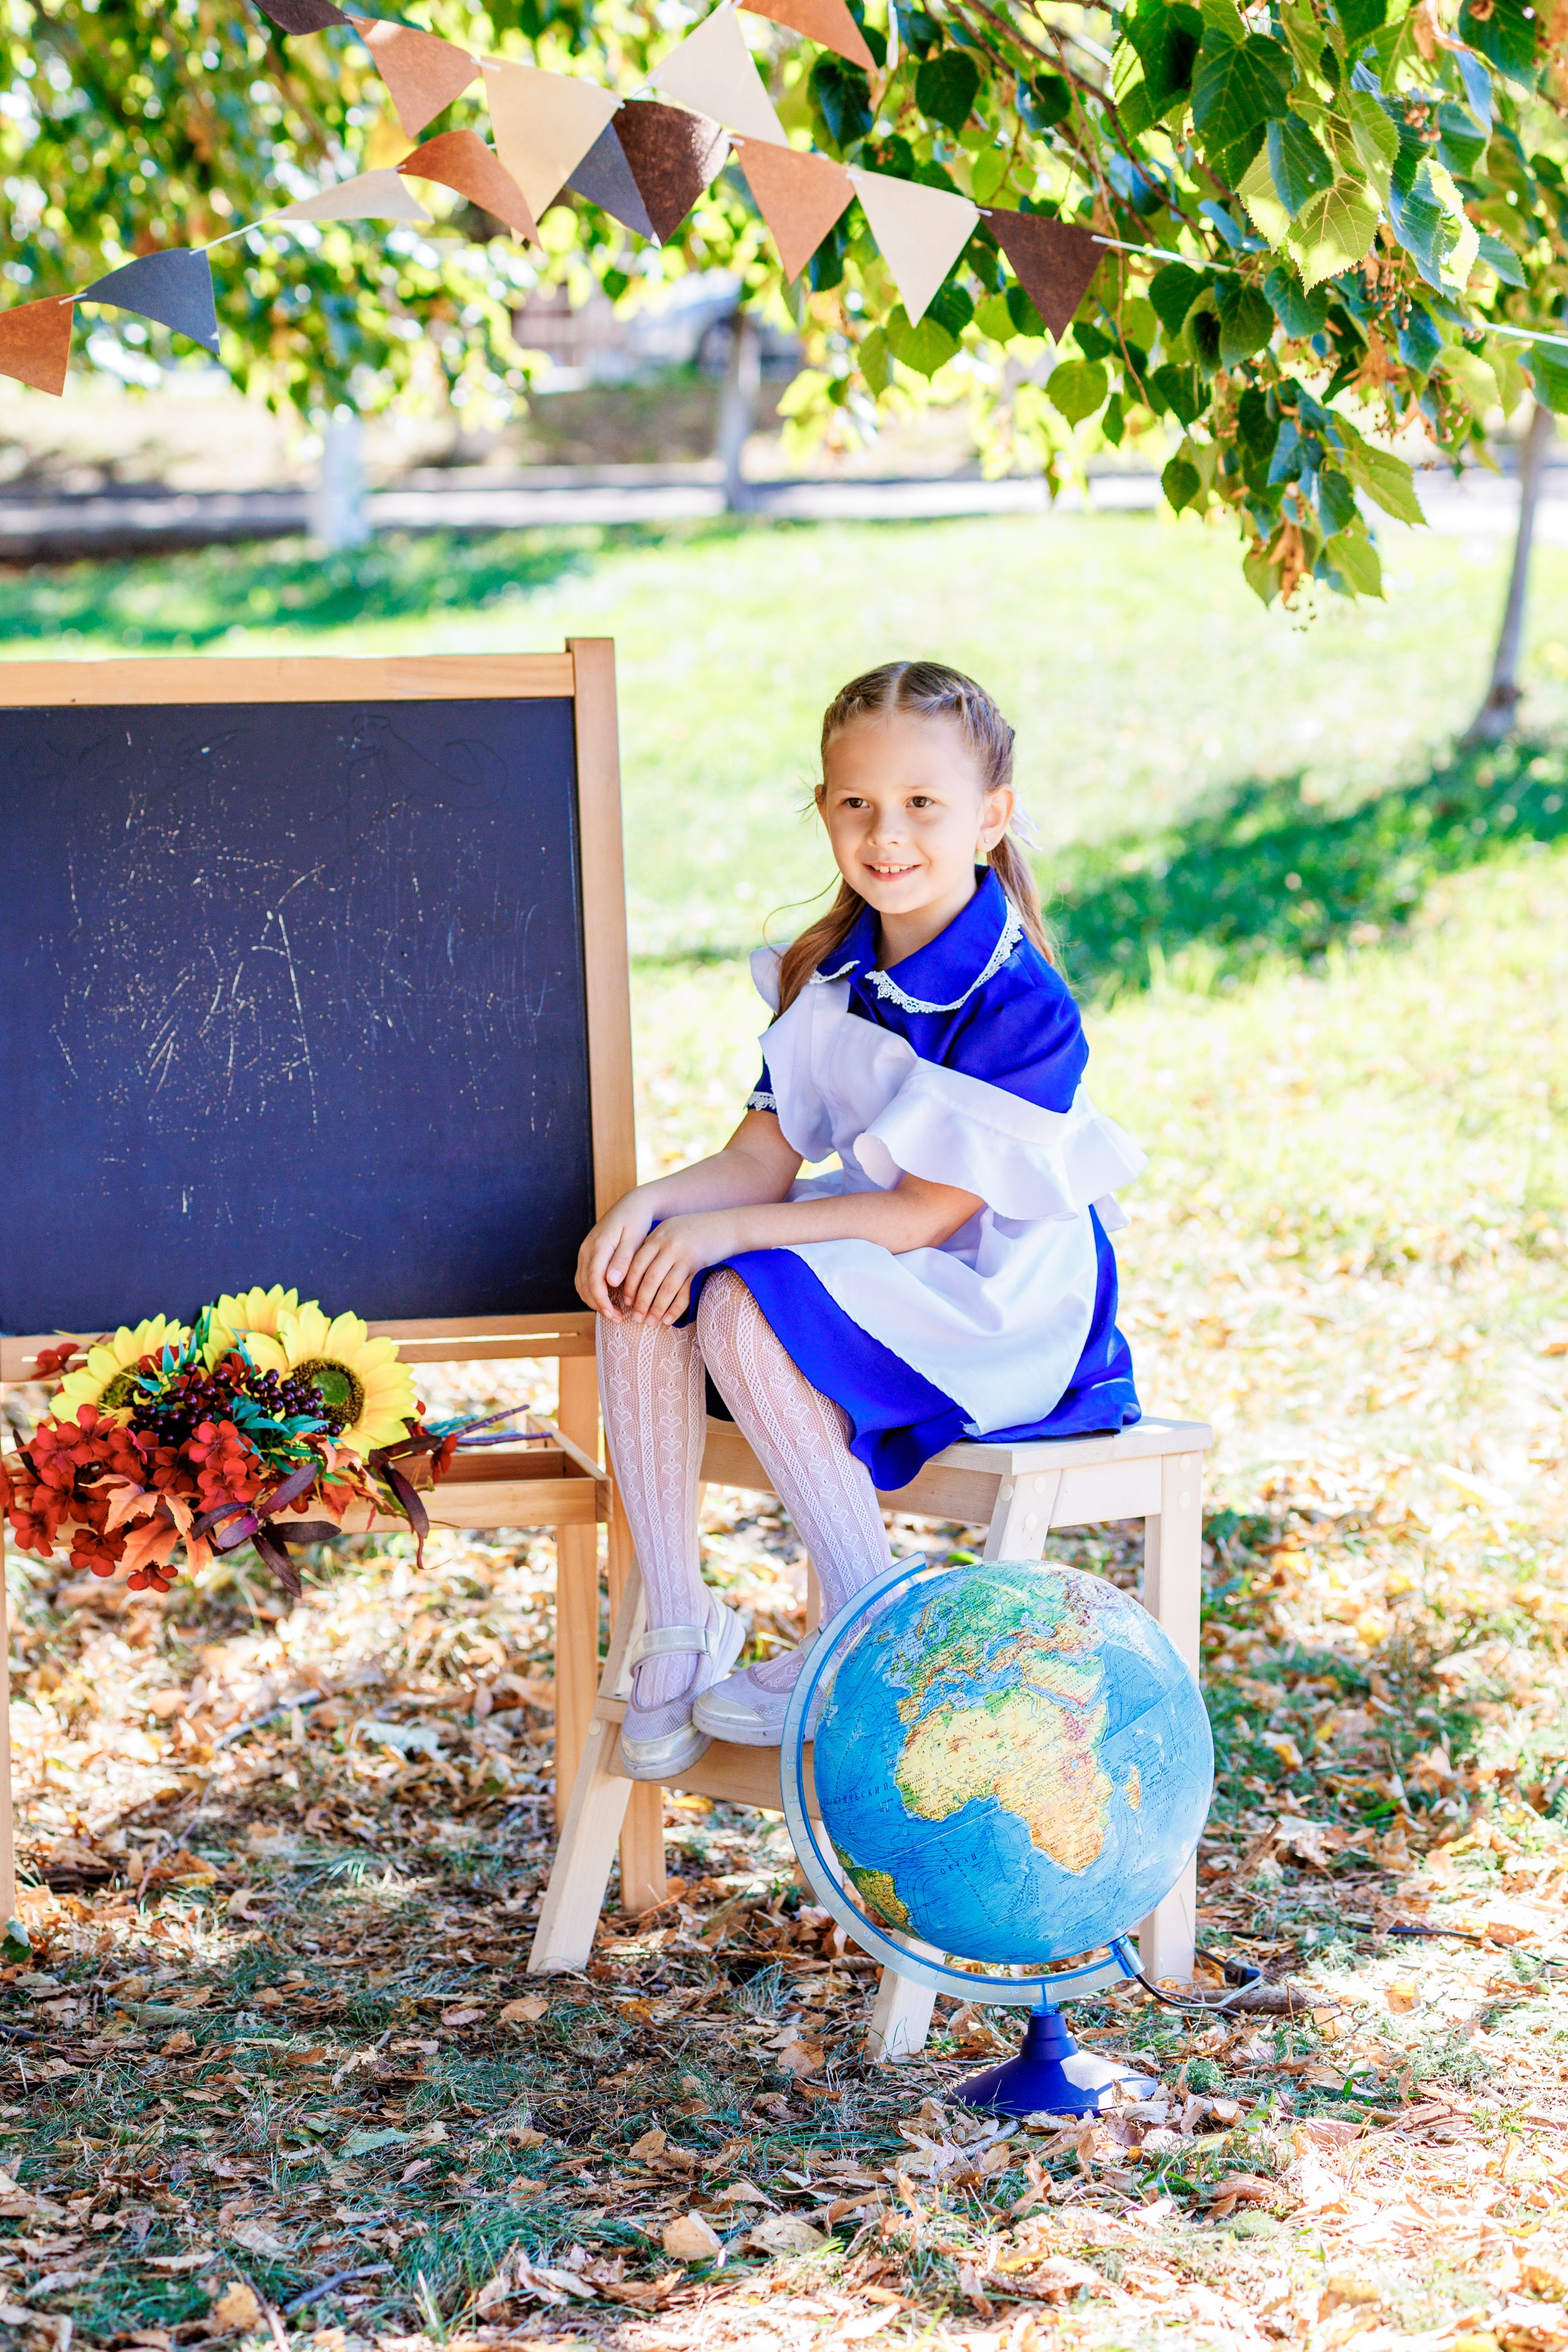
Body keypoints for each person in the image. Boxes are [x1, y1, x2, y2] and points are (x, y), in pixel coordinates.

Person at [576, 660, 1144, 1780]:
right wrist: (648, 1211)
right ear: (826, 809)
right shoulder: (828, 976)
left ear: (991, 817)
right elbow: (759, 1160)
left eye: (923, 805)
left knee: (733, 1291)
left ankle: (863, 1612)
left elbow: (930, 1215)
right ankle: (679, 1627)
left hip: (995, 1294)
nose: (887, 834)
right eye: (856, 805)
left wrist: (724, 1238)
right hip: (880, 1253)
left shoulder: (1017, 1000)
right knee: (648, 1275)